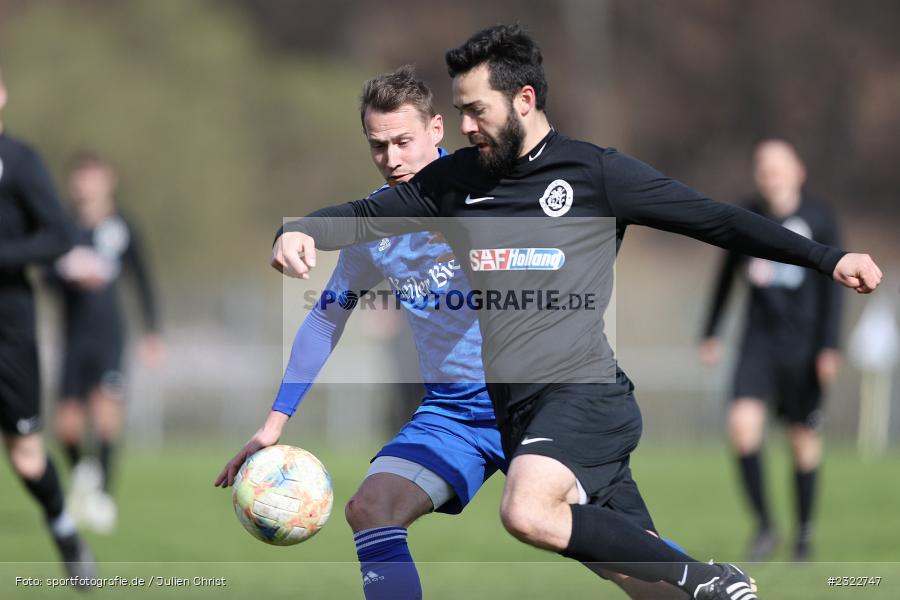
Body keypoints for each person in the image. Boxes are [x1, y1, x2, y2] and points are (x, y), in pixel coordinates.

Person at [272, 25, 883, 599]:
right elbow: (364, 213)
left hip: (583, 397)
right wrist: (299, 232)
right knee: (648, 584)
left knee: (527, 511)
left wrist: (826, 258)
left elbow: (717, 218)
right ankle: (696, 583)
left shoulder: (594, 174)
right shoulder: (456, 181)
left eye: (475, 110)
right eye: (459, 111)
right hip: (516, 409)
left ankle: (708, 576)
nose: (464, 126)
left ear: (524, 100)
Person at [218, 66, 686, 600]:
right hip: (451, 414)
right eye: (378, 145)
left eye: (402, 141)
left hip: (536, 402)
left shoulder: (492, 194)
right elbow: (328, 315)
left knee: (637, 571)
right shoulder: (376, 225)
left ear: (437, 129)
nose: (391, 158)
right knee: (371, 508)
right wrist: (276, 421)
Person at [699, 140, 844, 562]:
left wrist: (830, 346)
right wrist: (710, 332)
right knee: (742, 428)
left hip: (805, 347)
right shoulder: (745, 217)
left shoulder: (820, 218)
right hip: (757, 344)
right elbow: (725, 277)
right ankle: (765, 527)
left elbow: (834, 292)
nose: (770, 174)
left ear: (798, 170)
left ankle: (803, 536)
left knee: (803, 441)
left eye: (778, 166)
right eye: (762, 167)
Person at [0, 66, 95, 586]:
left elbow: (58, 236)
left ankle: (63, 530)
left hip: (9, 328)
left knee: (26, 454)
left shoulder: (19, 160)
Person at [52, 152, 163, 533]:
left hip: (109, 335)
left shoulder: (121, 226)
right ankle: (84, 470)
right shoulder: (63, 226)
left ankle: (103, 497)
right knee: (65, 425)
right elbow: (47, 274)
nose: (85, 185)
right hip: (72, 337)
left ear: (107, 180)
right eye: (79, 177)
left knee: (105, 412)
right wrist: (68, 275)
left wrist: (151, 333)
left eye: (92, 177)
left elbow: (142, 278)